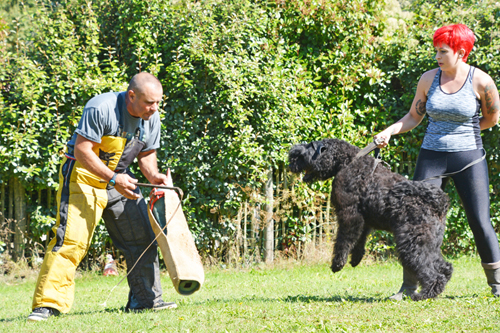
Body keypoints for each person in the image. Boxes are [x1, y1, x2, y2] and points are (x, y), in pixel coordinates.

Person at [28, 72, 177, 321]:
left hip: (120, 181)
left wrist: (153, 176)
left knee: (142, 238)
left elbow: (147, 152)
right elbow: (82, 149)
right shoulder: (101, 107)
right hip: (83, 178)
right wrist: (112, 179)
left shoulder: (152, 117)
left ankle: (145, 300)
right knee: (71, 242)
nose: (155, 108)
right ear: (131, 96)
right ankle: (47, 306)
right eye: (150, 102)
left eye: (158, 102)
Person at [374, 24, 500, 300]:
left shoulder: (481, 81)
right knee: (415, 222)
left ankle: (497, 285)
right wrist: (390, 130)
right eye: (436, 51)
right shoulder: (428, 79)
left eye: (443, 52)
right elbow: (413, 117)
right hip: (431, 156)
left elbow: (492, 118)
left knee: (480, 221)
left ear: (461, 52)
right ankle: (409, 288)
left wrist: (464, 133)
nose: (438, 57)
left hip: (469, 158)